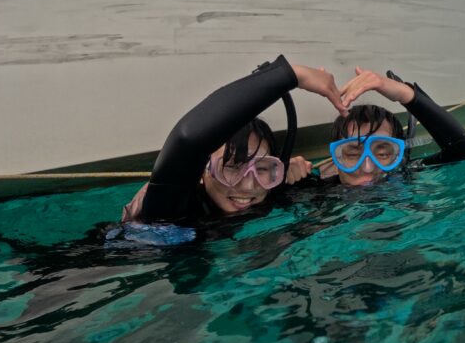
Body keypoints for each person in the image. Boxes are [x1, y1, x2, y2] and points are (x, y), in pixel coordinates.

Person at [122, 56, 345, 223]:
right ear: (201, 171)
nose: (249, 186)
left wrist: (300, 178)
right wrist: (291, 75)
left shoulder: (270, 191)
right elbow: (188, 141)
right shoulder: (172, 206)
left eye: (264, 168)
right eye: (231, 167)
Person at [312, 67, 465, 187]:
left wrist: (405, 93)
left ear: (398, 156)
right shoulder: (315, 192)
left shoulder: (404, 174)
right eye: (353, 154)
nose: (368, 168)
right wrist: (295, 75)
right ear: (336, 159)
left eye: (383, 153)